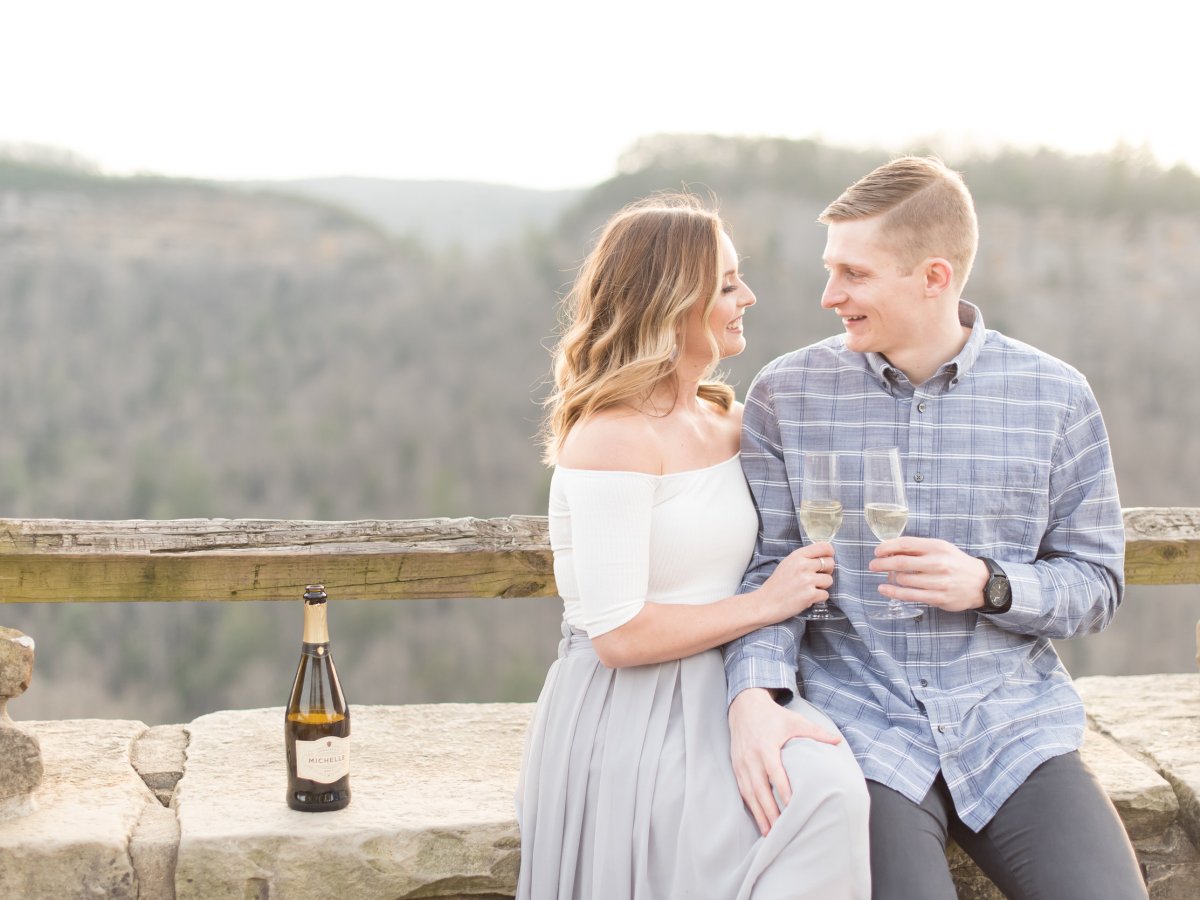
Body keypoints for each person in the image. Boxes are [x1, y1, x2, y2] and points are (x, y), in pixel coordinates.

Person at [723, 156, 1147, 899]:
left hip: (1011, 725)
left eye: (854, 274)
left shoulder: (1056, 397)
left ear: (934, 276)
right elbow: (767, 576)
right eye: (831, 270)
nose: (829, 295)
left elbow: (1099, 582)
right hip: (858, 725)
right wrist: (755, 695)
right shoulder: (786, 395)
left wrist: (991, 583)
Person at [516, 193, 871, 900]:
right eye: (728, 285)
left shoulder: (727, 418)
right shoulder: (613, 435)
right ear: (673, 302)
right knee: (792, 806)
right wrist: (765, 605)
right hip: (631, 702)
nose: (749, 297)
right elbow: (617, 633)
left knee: (832, 789)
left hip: (733, 680)